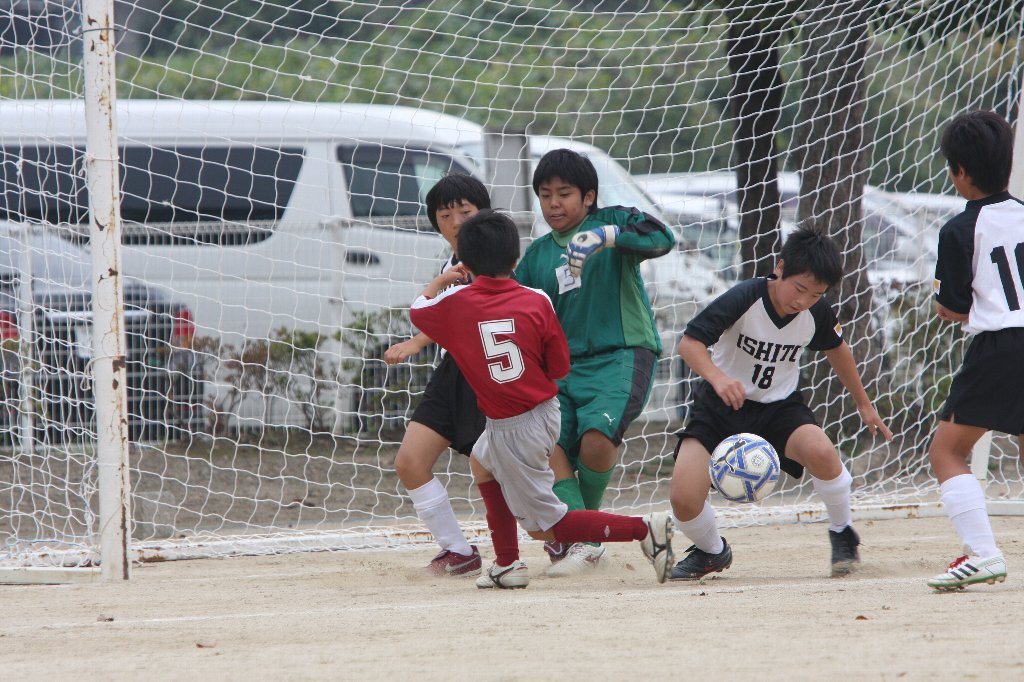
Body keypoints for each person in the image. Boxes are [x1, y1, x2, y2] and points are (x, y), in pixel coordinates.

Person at [409, 209, 674, 589]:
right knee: (482, 462)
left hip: (514, 426)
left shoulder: (458, 301)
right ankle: (507, 564)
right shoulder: (536, 299)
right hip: (544, 411)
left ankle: (644, 529)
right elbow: (559, 365)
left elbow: (418, 311)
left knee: (549, 526)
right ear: (516, 260)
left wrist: (439, 282)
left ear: (464, 262)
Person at [668, 227, 892, 580]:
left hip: (778, 408)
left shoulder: (816, 312)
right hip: (720, 406)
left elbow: (838, 350)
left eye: (815, 294)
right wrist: (719, 378)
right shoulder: (744, 297)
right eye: (799, 288)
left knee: (822, 452)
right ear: (780, 268)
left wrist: (864, 404)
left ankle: (842, 533)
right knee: (683, 499)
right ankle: (712, 551)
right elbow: (689, 344)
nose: (803, 301)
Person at [513, 148, 676, 577]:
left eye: (564, 193)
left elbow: (663, 238)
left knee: (597, 440)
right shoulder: (536, 257)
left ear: (588, 197)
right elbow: (515, 311)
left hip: (622, 354)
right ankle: (585, 542)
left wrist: (607, 236)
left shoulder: (615, 220)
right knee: (549, 447)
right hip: (561, 370)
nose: (553, 203)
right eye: (545, 195)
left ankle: (583, 539)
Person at [926, 110, 1022, 590]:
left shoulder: (959, 229)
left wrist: (952, 306)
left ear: (960, 171)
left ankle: (983, 554)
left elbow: (953, 306)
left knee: (947, 451)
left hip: (1002, 344)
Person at [382, 174, 490, 576]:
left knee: (496, 470)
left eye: (465, 212)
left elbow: (464, 310)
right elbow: (446, 309)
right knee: (410, 462)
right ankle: (458, 551)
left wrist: (416, 341)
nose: (456, 222)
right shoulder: (451, 266)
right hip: (450, 374)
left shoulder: (495, 262)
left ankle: (563, 537)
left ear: (484, 213)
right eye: (445, 215)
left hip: (486, 374)